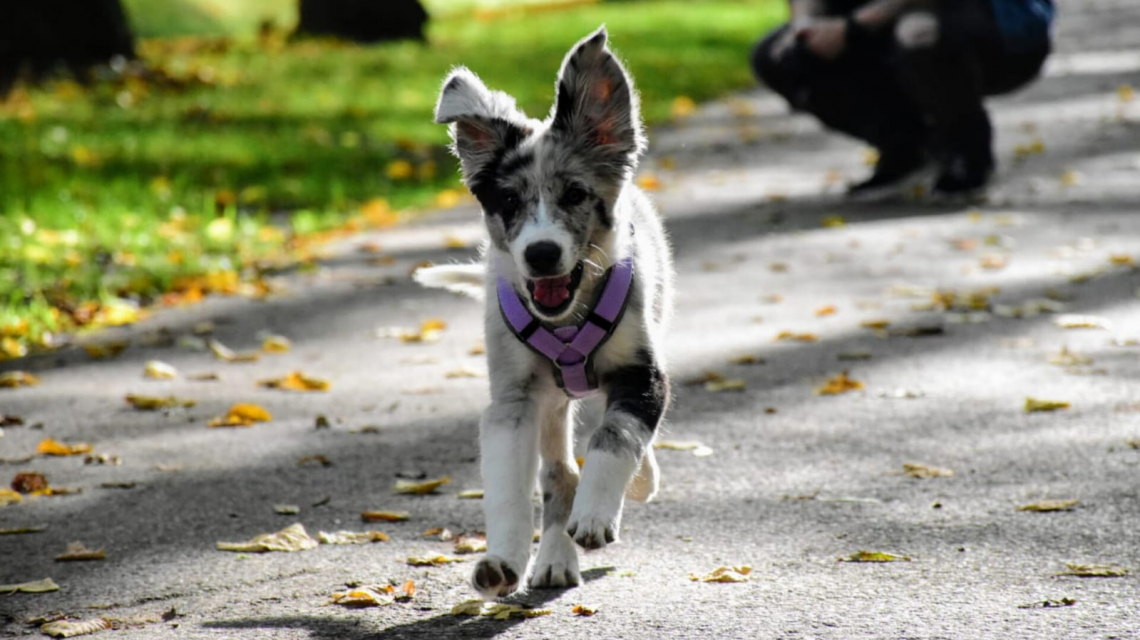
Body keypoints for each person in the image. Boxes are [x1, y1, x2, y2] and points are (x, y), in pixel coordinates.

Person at [751, 0, 1054, 197]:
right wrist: (804, 26)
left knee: (920, 34)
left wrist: (853, 27)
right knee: (778, 55)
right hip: (886, 18)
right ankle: (906, 146)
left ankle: (967, 151)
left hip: (1002, 32)